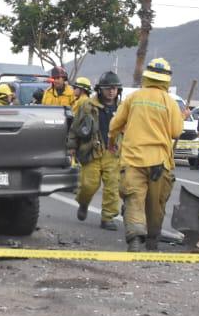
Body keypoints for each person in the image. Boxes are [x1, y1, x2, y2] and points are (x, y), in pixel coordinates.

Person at [109, 57, 183, 251]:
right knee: (155, 204)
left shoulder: (133, 98)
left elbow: (114, 125)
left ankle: (134, 239)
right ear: (167, 80)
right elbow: (176, 132)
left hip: (133, 159)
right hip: (160, 162)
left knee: (134, 199)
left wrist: (111, 141)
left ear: (146, 77)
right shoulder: (170, 102)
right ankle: (152, 242)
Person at [73, 71, 123, 229]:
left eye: (115, 88)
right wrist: (71, 148)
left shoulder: (123, 108)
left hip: (113, 153)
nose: (111, 91)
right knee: (88, 185)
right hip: (92, 151)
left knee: (112, 187)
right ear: (100, 89)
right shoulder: (87, 105)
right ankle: (83, 203)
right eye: (108, 88)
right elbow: (75, 128)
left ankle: (107, 218)